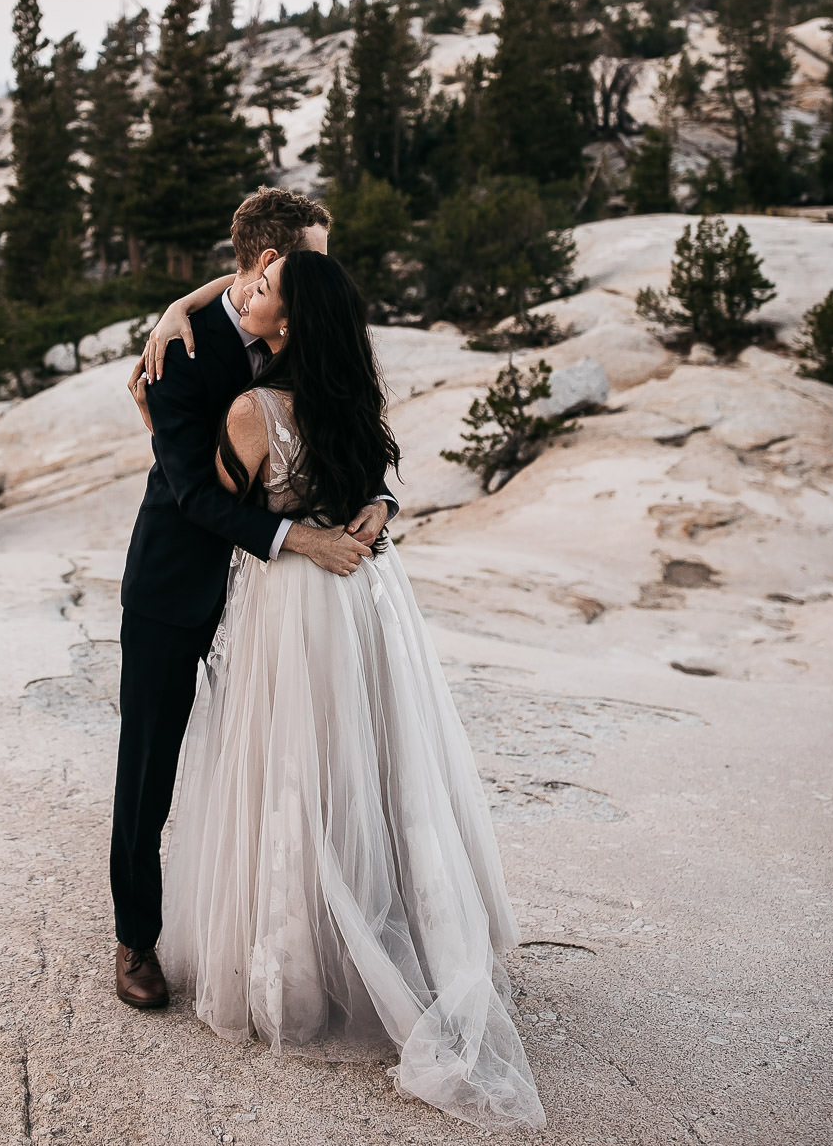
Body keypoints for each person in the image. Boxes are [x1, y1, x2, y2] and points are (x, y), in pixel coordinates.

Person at [159, 251, 545, 1130]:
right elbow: (374, 485)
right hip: (366, 602)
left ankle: (302, 968)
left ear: (289, 326)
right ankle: (397, 925)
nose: (246, 294)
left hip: (293, 609)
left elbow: (204, 500)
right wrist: (372, 512)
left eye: (263, 292)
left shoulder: (254, 413)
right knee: (372, 765)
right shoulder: (349, 398)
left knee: (293, 765)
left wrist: (156, 417)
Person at [111, 188, 398, 1011]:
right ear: (272, 263)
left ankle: (286, 931)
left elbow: (344, 420)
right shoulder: (178, 350)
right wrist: (295, 539)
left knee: (283, 765)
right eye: (315, 258)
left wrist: (380, 500)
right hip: (177, 581)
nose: (327, 274)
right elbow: (191, 494)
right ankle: (137, 939)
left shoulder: (302, 318)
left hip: (278, 605)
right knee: (148, 771)